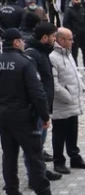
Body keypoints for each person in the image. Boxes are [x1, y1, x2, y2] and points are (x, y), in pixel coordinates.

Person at [0, 29, 64, 195]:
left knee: (9, 155)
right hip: (24, 116)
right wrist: (45, 115)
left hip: (3, 116)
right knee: (34, 155)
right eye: (21, 40)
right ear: (16, 42)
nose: (23, 43)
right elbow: (37, 92)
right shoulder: (24, 62)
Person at [50, 27, 85, 176]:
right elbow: (54, 85)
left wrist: (81, 88)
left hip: (73, 102)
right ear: (61, 40)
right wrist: (68, 97)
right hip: (61, 104)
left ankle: (74, 157)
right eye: (70, 39)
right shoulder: (52, 57)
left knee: (72, 132)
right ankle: (58, 161)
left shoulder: (68, 54)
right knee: (59, 134)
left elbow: (75, 74)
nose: (73, 42)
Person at [23, 22, 62, 182]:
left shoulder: (43, 51)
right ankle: (34, 177)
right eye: (53, 36)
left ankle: (41, 171)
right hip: (36, 108)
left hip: (44, 105)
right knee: (33, 146)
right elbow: (33, 84)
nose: (55, 40)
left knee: (40, 144)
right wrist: (40, 108)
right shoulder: (33, 54)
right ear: (44, 38)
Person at [62, 0, 85, 70]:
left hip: (83, 35)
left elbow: (84, 22)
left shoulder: (82, 8)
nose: (78, 1)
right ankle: (75, 69)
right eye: (77, 0)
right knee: (74, 53)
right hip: (74, 36)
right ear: (73, 0)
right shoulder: (68, 10)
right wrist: (71, 34)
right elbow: (65, 24)